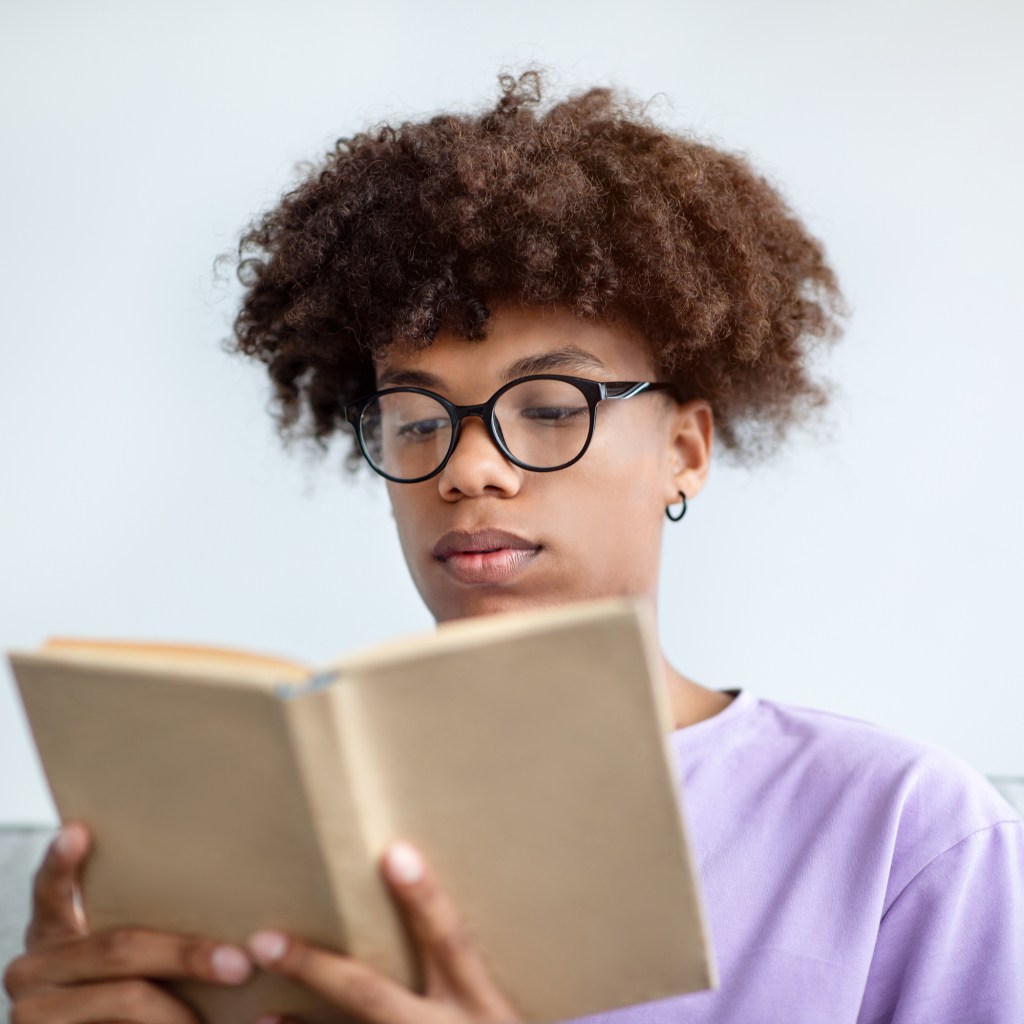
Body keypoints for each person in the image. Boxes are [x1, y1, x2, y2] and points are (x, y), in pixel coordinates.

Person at [5, 71, 1022, 1024]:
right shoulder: (240, 837)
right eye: (414, 418)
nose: (468, 470)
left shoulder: (904, 831)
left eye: (548, 406)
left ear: (685, 449)